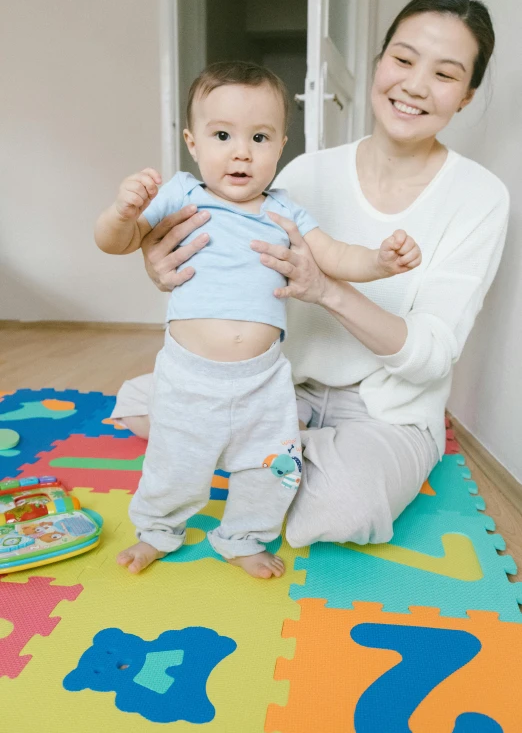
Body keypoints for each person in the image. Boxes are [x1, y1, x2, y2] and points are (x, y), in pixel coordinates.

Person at [112, 0, 509, 570]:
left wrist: (327, 288)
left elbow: (430, 357)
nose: (416, 84)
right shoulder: (303, 172)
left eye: (445, 74)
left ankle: (263, 457)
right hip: (282, 381)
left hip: (381, 409)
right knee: (136, 401)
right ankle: (266, 455)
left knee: (339, 510)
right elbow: (225, 266)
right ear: (378, 63)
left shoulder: (479, 196)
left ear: (467, 94)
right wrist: (161, 263)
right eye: (403, 59)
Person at [96, 62, 421, 579]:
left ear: (281, 146)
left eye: (260, 137)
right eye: (222, 135)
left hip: (266, 378)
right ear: (193, 142)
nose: (241, 151)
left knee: (270, 466)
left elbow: (333, 256)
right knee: (174, 462)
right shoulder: (181, 193)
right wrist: (120, 212)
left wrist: (378, 261)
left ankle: (243, 535)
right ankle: (157, 531)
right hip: (189, 375)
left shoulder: (285, 210)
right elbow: (119, 241)